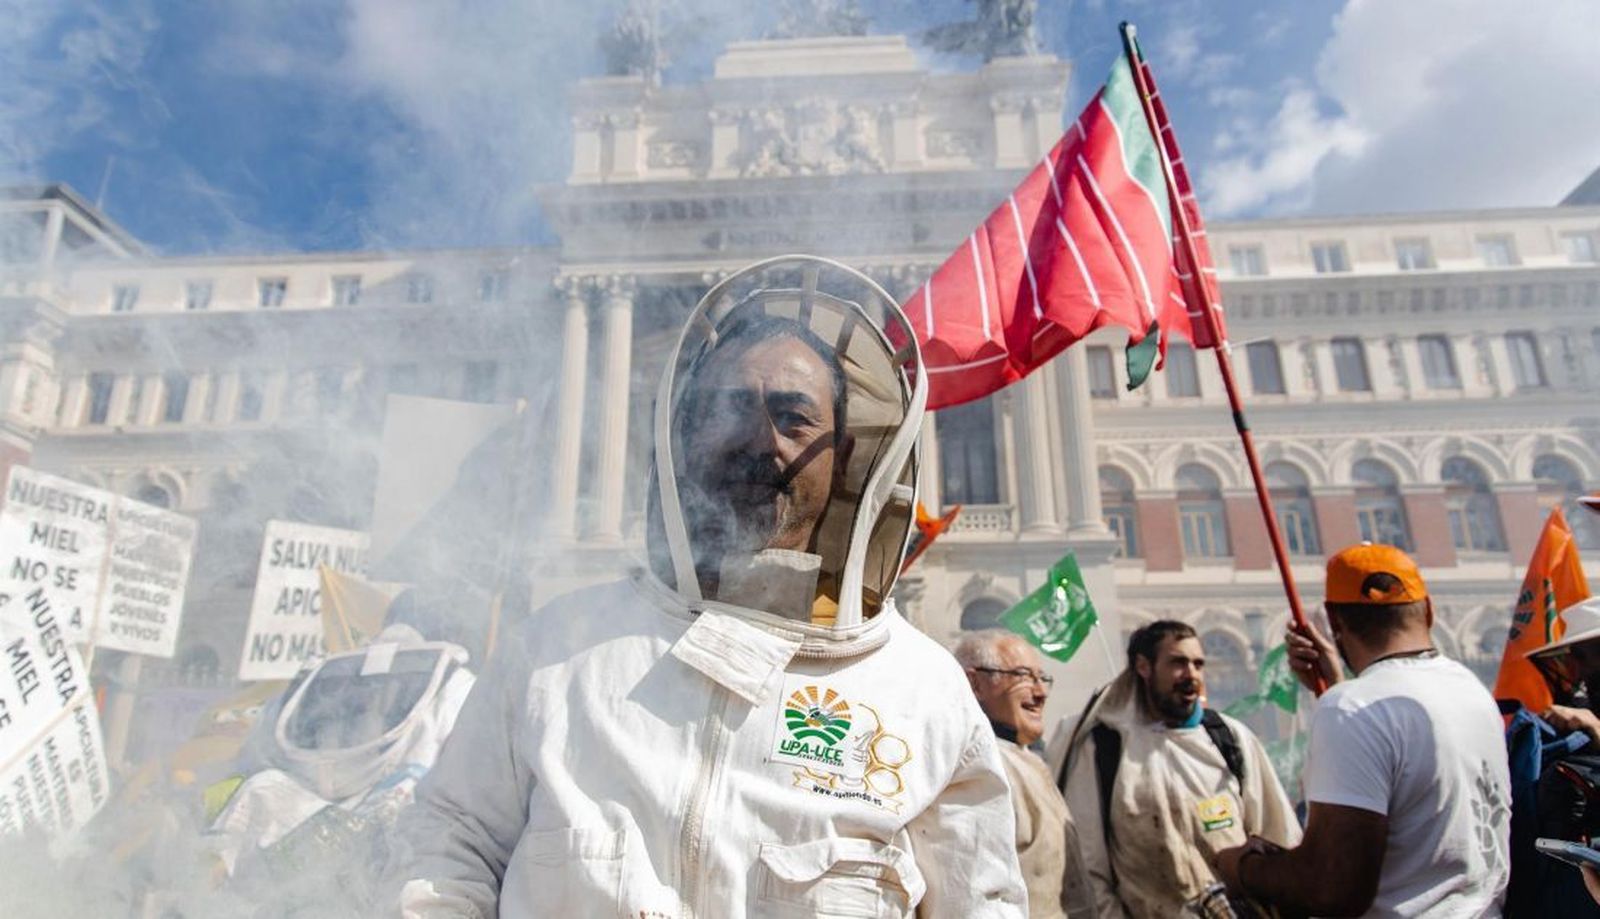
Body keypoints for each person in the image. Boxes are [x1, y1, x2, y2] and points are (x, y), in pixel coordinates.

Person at [394, 256, 1026, 916]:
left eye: (793, 416)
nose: (761, 440)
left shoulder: (923, 691)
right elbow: (445, 851)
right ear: (684, 439)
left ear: (844, 458)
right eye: (731, 409)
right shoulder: (556, 652)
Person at [1215, 543, 1512, 917]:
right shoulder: (1470, 689)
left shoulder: (1351, 709)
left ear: (1334, 621)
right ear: (1429, 610)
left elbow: (1334, 886)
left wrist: (1242, 868)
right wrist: (1336, 687)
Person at [1058, 620, 1300, 918]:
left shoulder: (1229, 739)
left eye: (1198, 664)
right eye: (1178, 663)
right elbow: (1088, 869)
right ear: (1144, 667)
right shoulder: (1104, 748)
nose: (1191, 675)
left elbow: (1278, 837)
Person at [955, 630, 1069, 919]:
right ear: (974, 684)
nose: (1040, 692)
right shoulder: (981, 766)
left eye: (1042, 678)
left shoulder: (1023, 758)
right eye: (1022, 676)